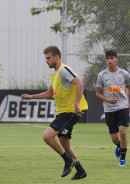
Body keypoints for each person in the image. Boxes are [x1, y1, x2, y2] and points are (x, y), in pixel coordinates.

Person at [20, 46, 88, 180]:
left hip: (70, 112)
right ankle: (80, 171)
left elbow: (80, 83)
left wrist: (76, 104)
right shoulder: (54, 74)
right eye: (45, 58)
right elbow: (50, 93)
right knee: (64, 144)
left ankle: (68, 161)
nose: (46, 61)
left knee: (47, 136)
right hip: (64, 112)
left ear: (57, 57)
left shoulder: (63, 70)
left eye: (48, 58)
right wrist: (31, 97)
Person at [95, 49, 130, 167]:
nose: (110, 60)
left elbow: (129, 87)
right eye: (108, 58)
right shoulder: (101, 75)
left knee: (123, 132)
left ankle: (123, 159)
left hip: (123, 107)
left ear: (117, 59)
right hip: (109, 109)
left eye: (112, 58)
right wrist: (107, 99)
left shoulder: (124, 74)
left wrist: (127, 100)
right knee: (115, 138)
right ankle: (119, 146)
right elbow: (98, 93)